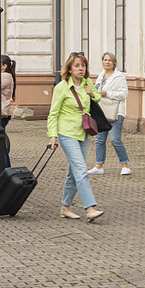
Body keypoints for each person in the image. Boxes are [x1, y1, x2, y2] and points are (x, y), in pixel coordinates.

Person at [47, 52, 105, 222]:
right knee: (81, 170)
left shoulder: (87, 83)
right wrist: (53, 136)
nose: (81, 69)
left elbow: (99, 96)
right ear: (70, 69)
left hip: (84, 132)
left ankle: (65, 207)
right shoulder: (62, 87)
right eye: (77, 66)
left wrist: (92, 93)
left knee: (74, 172)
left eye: (83, 65)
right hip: (66, 132)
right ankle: (90, 208)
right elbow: (53, 114)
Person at [88, 52, 131, 176]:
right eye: (105, 60)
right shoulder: (101, 76)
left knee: (115, 139)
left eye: (109, 60)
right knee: (99, 139)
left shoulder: (119, 76)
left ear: (114, 63)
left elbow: (124, 94)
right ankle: (98, 165)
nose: (107, 62)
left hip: (115, 111)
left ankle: (125, 165)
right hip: (101, 111)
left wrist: (106, 93)